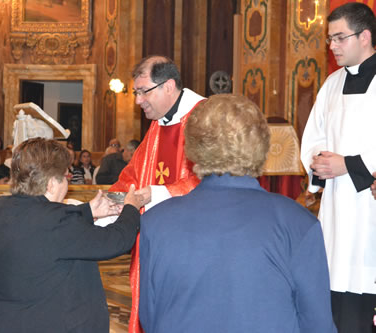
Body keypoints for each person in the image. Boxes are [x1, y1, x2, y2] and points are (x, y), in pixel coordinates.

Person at [139, 94, 336, 333]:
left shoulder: (155, 222)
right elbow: (317, 324)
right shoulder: (298, 224)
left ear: (193, 145)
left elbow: (150, 317)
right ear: (262, 144)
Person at [0, 138, 143, 333]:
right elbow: (116, 241)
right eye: (65, 176)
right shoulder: (56, 221)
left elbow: (45, 229)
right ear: (52, 184)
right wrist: (131, 208)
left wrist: (88, 210)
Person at [109, 55, 205, 332]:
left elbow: (211, 178)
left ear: (168, 86)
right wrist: (113, 199)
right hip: (153, 237)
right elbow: (133, 173)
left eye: (142, 91)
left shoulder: (205, 117)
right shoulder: (158, 123)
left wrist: (157, 193)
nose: (138, 100)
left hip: (191, 239)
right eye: (135, 92)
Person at [300, 3, 376, 332]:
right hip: (335, 208)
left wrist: (348, 165)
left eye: (340, 38)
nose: (332, 46)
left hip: (368, 207)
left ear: (366, 36)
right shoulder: (331, 83)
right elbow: (314, 135)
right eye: (330, 39)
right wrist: (319, 162)